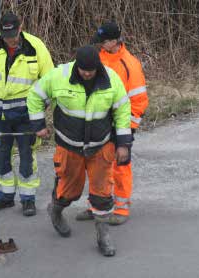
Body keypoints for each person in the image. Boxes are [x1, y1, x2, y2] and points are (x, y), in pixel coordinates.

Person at [27, 45, 132, 256]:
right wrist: (38, 124)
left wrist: (123, 144)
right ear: (77, 66)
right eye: (83, 70)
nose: (86, 73)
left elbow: (122, 111)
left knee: (102, 192)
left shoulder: (112, 80)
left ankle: (103, 235)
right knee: (69, 190)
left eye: (90, 71)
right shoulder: (59, 75)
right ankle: (55, 210)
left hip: (101, 146)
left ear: (97, 68)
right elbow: (35, 95)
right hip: (69, 145)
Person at [0, 12, 54, 216]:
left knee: (27, 156)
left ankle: (28, 199)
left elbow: (49, 80)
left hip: (25, 115)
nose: (9, 38)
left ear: (21, 27)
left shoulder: (35, 47)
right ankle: (5, 196)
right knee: (2, 155)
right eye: (5, 34)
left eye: (13, 34)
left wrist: (39, 108)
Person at [76, 22, 149, 225]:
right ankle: (97, 206)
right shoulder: (98, 58)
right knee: (96, 166)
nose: (100, 45)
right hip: (98, 122)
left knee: (120, 167)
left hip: (120, 124)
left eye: (103, 42)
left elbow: (139, 100)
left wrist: (128, 129)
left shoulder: (130, 64)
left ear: (114, 41)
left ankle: (121, 209)